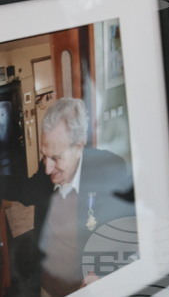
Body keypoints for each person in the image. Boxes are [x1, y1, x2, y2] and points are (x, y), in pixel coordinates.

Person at [0, 98, 135, 296]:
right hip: (47, 285)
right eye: (44, 155)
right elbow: (26, 190)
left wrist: (103, 271)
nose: (47, 168)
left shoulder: (110, 170)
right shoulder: (48, 168)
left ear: (79, 146)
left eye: (55, 158)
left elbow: (128, 233)